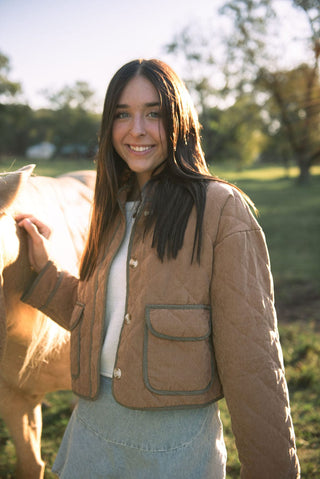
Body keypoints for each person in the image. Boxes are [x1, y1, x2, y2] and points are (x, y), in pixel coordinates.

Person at [17, 59, 300, 479]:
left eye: (154, 113)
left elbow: (253, 358)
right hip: (92, 435)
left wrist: (272, 469)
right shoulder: (111, 207)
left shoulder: (221, 209)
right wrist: (47, 273)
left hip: (173, 448)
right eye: (122, 114)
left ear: (179, 122)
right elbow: (101, 319)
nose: (137, 129)